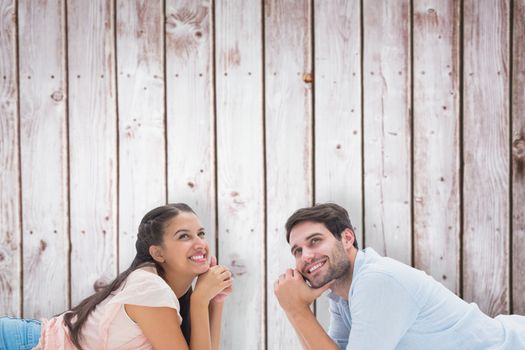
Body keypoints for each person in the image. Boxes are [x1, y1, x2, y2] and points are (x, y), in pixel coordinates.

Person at [274, 203, 525, 350]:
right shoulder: (341, 295)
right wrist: (294, 309)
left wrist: (296, 308)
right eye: (297, 251)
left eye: (315, 241)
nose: (305, 255)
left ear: (347, 238)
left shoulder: (378, 281)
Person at [0, 203, 233, 349]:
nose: (200, 243)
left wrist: (215, 302)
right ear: (158, 253)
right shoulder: (150, 289)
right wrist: (200, 301)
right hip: (19, 342)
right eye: (184, 236)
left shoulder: (162, 289)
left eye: (200, 233)